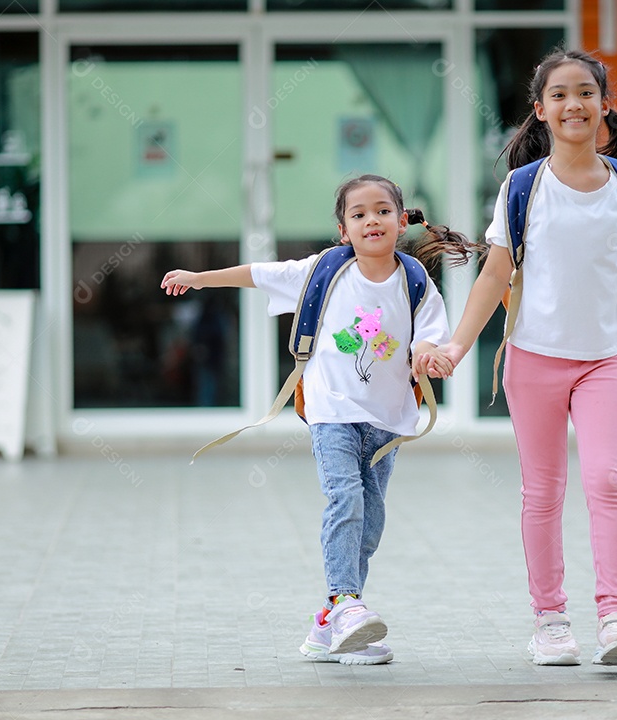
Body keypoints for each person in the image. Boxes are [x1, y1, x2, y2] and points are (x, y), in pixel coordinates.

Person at [433, 48, 617, 667]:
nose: (573, 103)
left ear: (605, 104)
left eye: (585, 92)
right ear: (540, 111)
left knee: (607, 481)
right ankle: (550, 620)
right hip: (533, 360)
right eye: (558, 94)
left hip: (602, 361)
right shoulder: (522, 187)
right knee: (543, 493)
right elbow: (495, 271)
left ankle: (616, 615)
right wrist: (457, 345)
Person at [161, 175, 476, 665]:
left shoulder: (415, 279)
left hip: (387, 421)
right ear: (343, 229)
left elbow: (428, 338)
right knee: (345, 500)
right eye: (359, 214)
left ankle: (330, 624)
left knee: (369, 525)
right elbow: (260, 274)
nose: (372, 219)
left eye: (382, 211)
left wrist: (429, 358)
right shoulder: (325, 270)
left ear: (401, 219)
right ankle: (349, 605)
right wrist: (201, 279)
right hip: (332, 413)